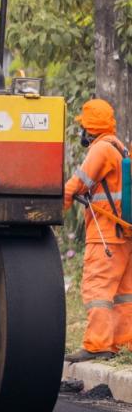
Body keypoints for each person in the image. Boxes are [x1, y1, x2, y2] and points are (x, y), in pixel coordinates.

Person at [63, 98, 132, 362]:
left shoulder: (100, 149)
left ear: (88, 128)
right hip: (123, 235)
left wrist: (52, 209)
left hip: (104, 235)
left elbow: (77, 184)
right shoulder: (120, 147)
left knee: (97, 290)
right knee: (124, 293)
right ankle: (124, 344)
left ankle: (98, 345)